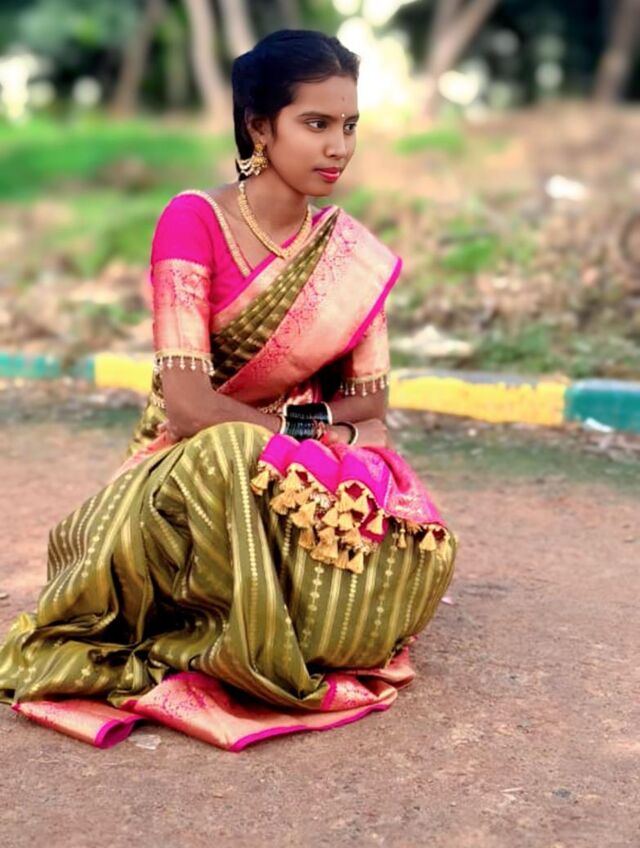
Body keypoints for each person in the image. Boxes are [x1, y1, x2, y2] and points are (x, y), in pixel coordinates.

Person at [0, 30, 456, 751]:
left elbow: (371, 406)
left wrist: (313, 438)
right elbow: (188, 406)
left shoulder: (351, 256)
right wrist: (307, 433)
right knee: (232, 450)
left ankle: (290, 620)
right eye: (316, 123)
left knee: (418, 534)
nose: (338, 146)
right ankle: (258, 628)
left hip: (296, 462)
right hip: (189, 467)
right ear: (259, 126)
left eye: (349, 125)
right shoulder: (193, 221)